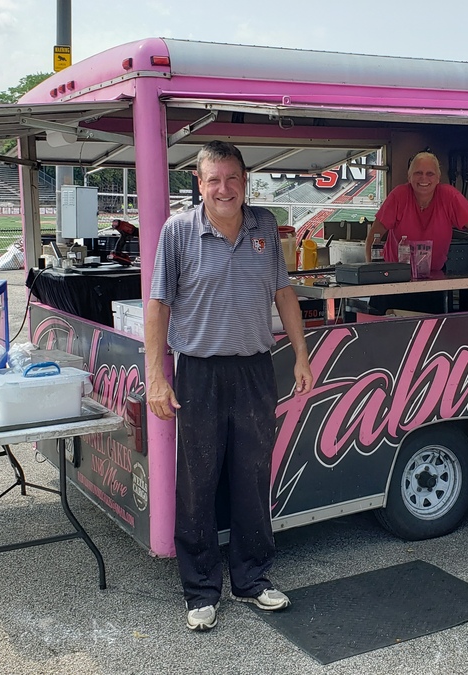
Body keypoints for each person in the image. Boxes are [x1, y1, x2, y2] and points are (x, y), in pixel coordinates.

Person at [145, 140, 314, 632]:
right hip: (198, 371)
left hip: (254, 369)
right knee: (197, 482)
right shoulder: (178, 231)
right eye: (213, 179)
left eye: (232, 178)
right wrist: (156, 376)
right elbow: (158, 307)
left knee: (251, 475)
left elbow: (283, 292)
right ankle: (200, 590)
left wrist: (301, 355)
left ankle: (252, 579)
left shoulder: (264, 225)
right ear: (199, 184)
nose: (224, 188)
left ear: (246, 182)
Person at [364, 152, 468, 274]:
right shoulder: (399, 195)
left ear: (438, 178)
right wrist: (371, 272)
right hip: (394, 275)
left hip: (433, 275)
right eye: (418, 173)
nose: (424, 178)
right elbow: (373, 237)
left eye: (430, 174)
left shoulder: (449, 196)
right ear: (409, 177)